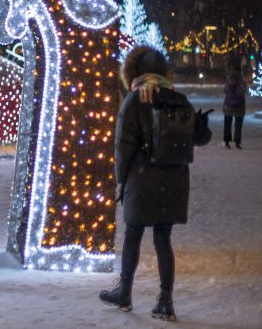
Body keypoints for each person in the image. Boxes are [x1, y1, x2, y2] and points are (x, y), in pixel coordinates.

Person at [99, 45, 211, 322]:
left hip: (141, 178)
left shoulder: (134, 100)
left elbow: (123, 147)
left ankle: (124, 294)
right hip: (174, 181)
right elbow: (202, 137)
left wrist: (120, 182)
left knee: (133, 236)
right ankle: (165, 301)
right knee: (163, 240)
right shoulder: (179, 99)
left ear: (135, 72)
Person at [223, 67, 247, 149]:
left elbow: (225, 90)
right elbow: (244, 90)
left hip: (229, 106)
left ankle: (226, 141)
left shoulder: (229, 80)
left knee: (227, 124)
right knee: (238, 125)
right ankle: (237, 141)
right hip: (239, 106)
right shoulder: (241, 81)